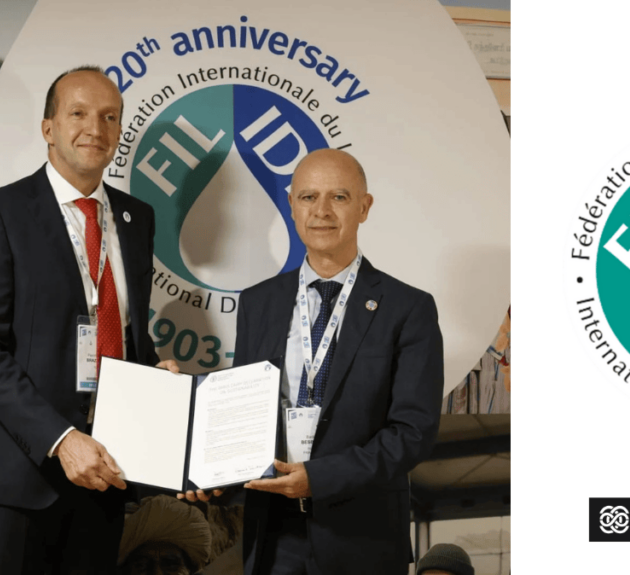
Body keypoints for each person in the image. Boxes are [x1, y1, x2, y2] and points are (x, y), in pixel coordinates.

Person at [0, 66, 177, 574]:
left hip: (104, 473)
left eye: (108, 117)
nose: (94, 128)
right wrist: (60, 438)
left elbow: (122, 334)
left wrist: (154, 381)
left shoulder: (136, 218)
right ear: (48, 127)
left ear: (120, 131)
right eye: (78, 113)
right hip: (16, 477)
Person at [184, 148, 444, 575]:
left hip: (363, 540)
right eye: (308, 197)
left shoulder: (408, 307)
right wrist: (211, 475)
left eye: (339, 197)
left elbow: (412, 433)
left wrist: (319, 477)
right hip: (273, 538)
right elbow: (244, 411)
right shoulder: (258, 303)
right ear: (291, 206)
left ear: (364, 206)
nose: (321, 211)